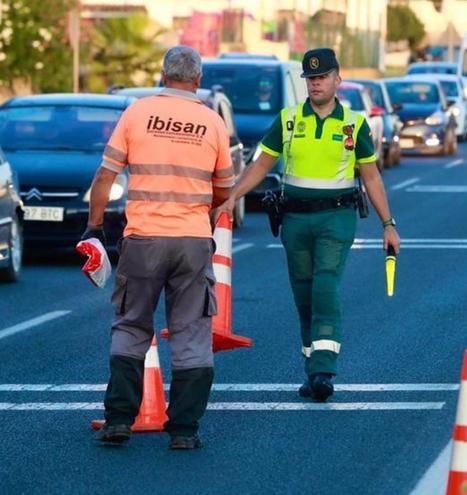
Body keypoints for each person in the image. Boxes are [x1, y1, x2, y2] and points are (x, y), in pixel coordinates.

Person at [213, 48, 401, 402]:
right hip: (295, 220)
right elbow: (260, 165)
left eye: (322, 77)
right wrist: (231, 196)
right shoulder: (288, 120)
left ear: (337, 80)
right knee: (303, 296)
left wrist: (388, 224)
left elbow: (372, 177)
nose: (315, 84)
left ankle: (323, 370)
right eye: (310, 79)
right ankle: (311, 369)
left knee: (324, 287)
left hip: (337, 218)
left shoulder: (354, 124)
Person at [83, 45, 235, 449]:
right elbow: (224, 189)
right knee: (191, 332)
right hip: (191, 242)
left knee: (132, 325)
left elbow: (105, 175)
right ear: (198, 80)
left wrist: (94, 227)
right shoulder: (211, 122)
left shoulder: (136, 113)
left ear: (162, 76)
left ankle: (119, 420)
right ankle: (184, 430)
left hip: (143, 239)